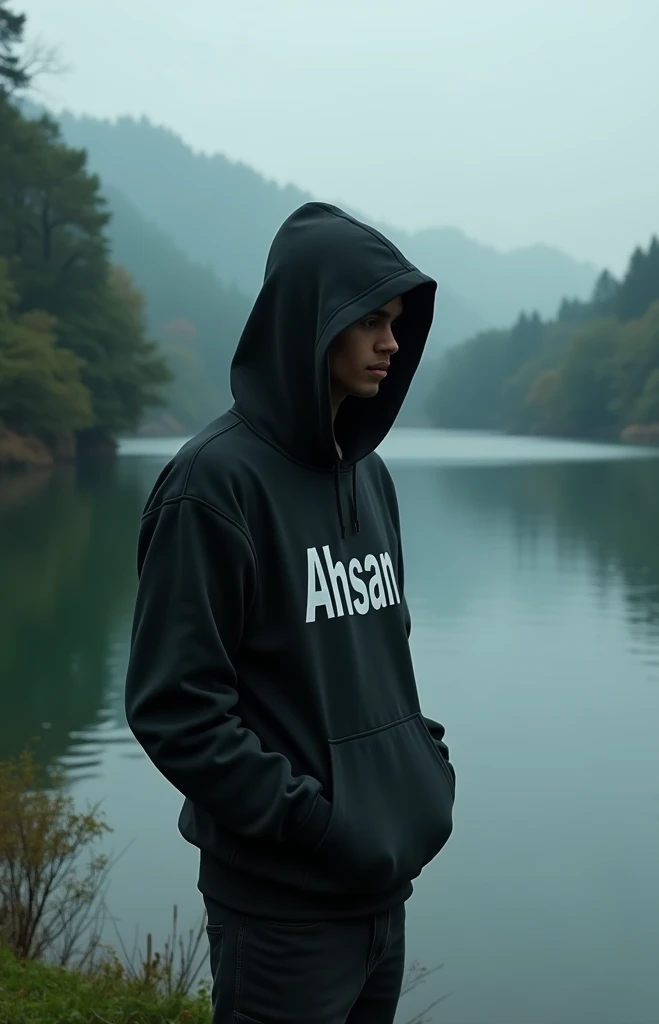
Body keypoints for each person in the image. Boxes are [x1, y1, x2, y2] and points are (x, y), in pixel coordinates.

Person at [124, 202, 456, 1024]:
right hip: (282, 909)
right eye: (370, 322)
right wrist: (314, 822)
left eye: (398, 323)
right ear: (313, 323)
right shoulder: (215, 485)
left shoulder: (369, 477)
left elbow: (387, 659)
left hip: (382, 893)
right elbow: (174, 708)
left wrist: (422, 767)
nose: (392, 343)